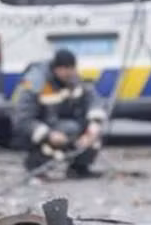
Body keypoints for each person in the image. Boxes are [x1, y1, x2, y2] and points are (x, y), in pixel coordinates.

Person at [10, 50, 107, 178]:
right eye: (65, 70)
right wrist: (48, 135)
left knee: (93, 132)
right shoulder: (35, 82)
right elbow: (22, 119)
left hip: (65, 125)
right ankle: (36, 165)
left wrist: (94, 126)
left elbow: (92, 99)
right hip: (40, 130)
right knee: (68, 131)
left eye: (72, 69)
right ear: (56, 68)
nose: (70, 74)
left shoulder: (73, 79)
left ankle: (79, 168)